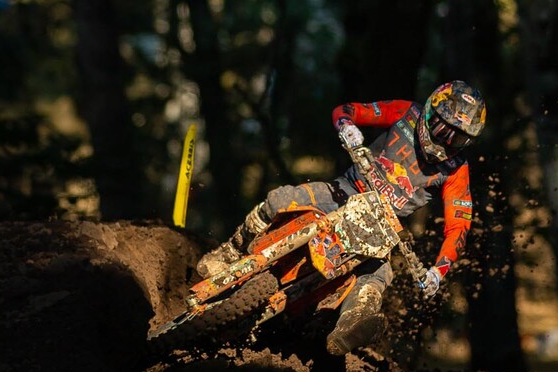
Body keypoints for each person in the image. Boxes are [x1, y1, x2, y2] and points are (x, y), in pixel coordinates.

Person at [196, 80, 486, 355]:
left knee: (378, 277)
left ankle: (352, 327)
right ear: (429, 112)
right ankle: (230, 251)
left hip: (383, 226)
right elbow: (347, 110)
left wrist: (438, 270)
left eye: (457, 137)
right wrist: (347, 126)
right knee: (279, 200)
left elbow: (459, 225)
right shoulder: (405, 112)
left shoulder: (455, 169)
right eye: (442, 128)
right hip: (343, 191)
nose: (446, 141)